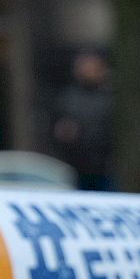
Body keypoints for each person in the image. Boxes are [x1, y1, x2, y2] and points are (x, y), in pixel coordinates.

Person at [49, 50, 116, 191]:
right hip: (75, 166)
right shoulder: (68, 98)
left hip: (106, 167)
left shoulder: (111, 98)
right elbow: (57, 128)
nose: (88, 71)